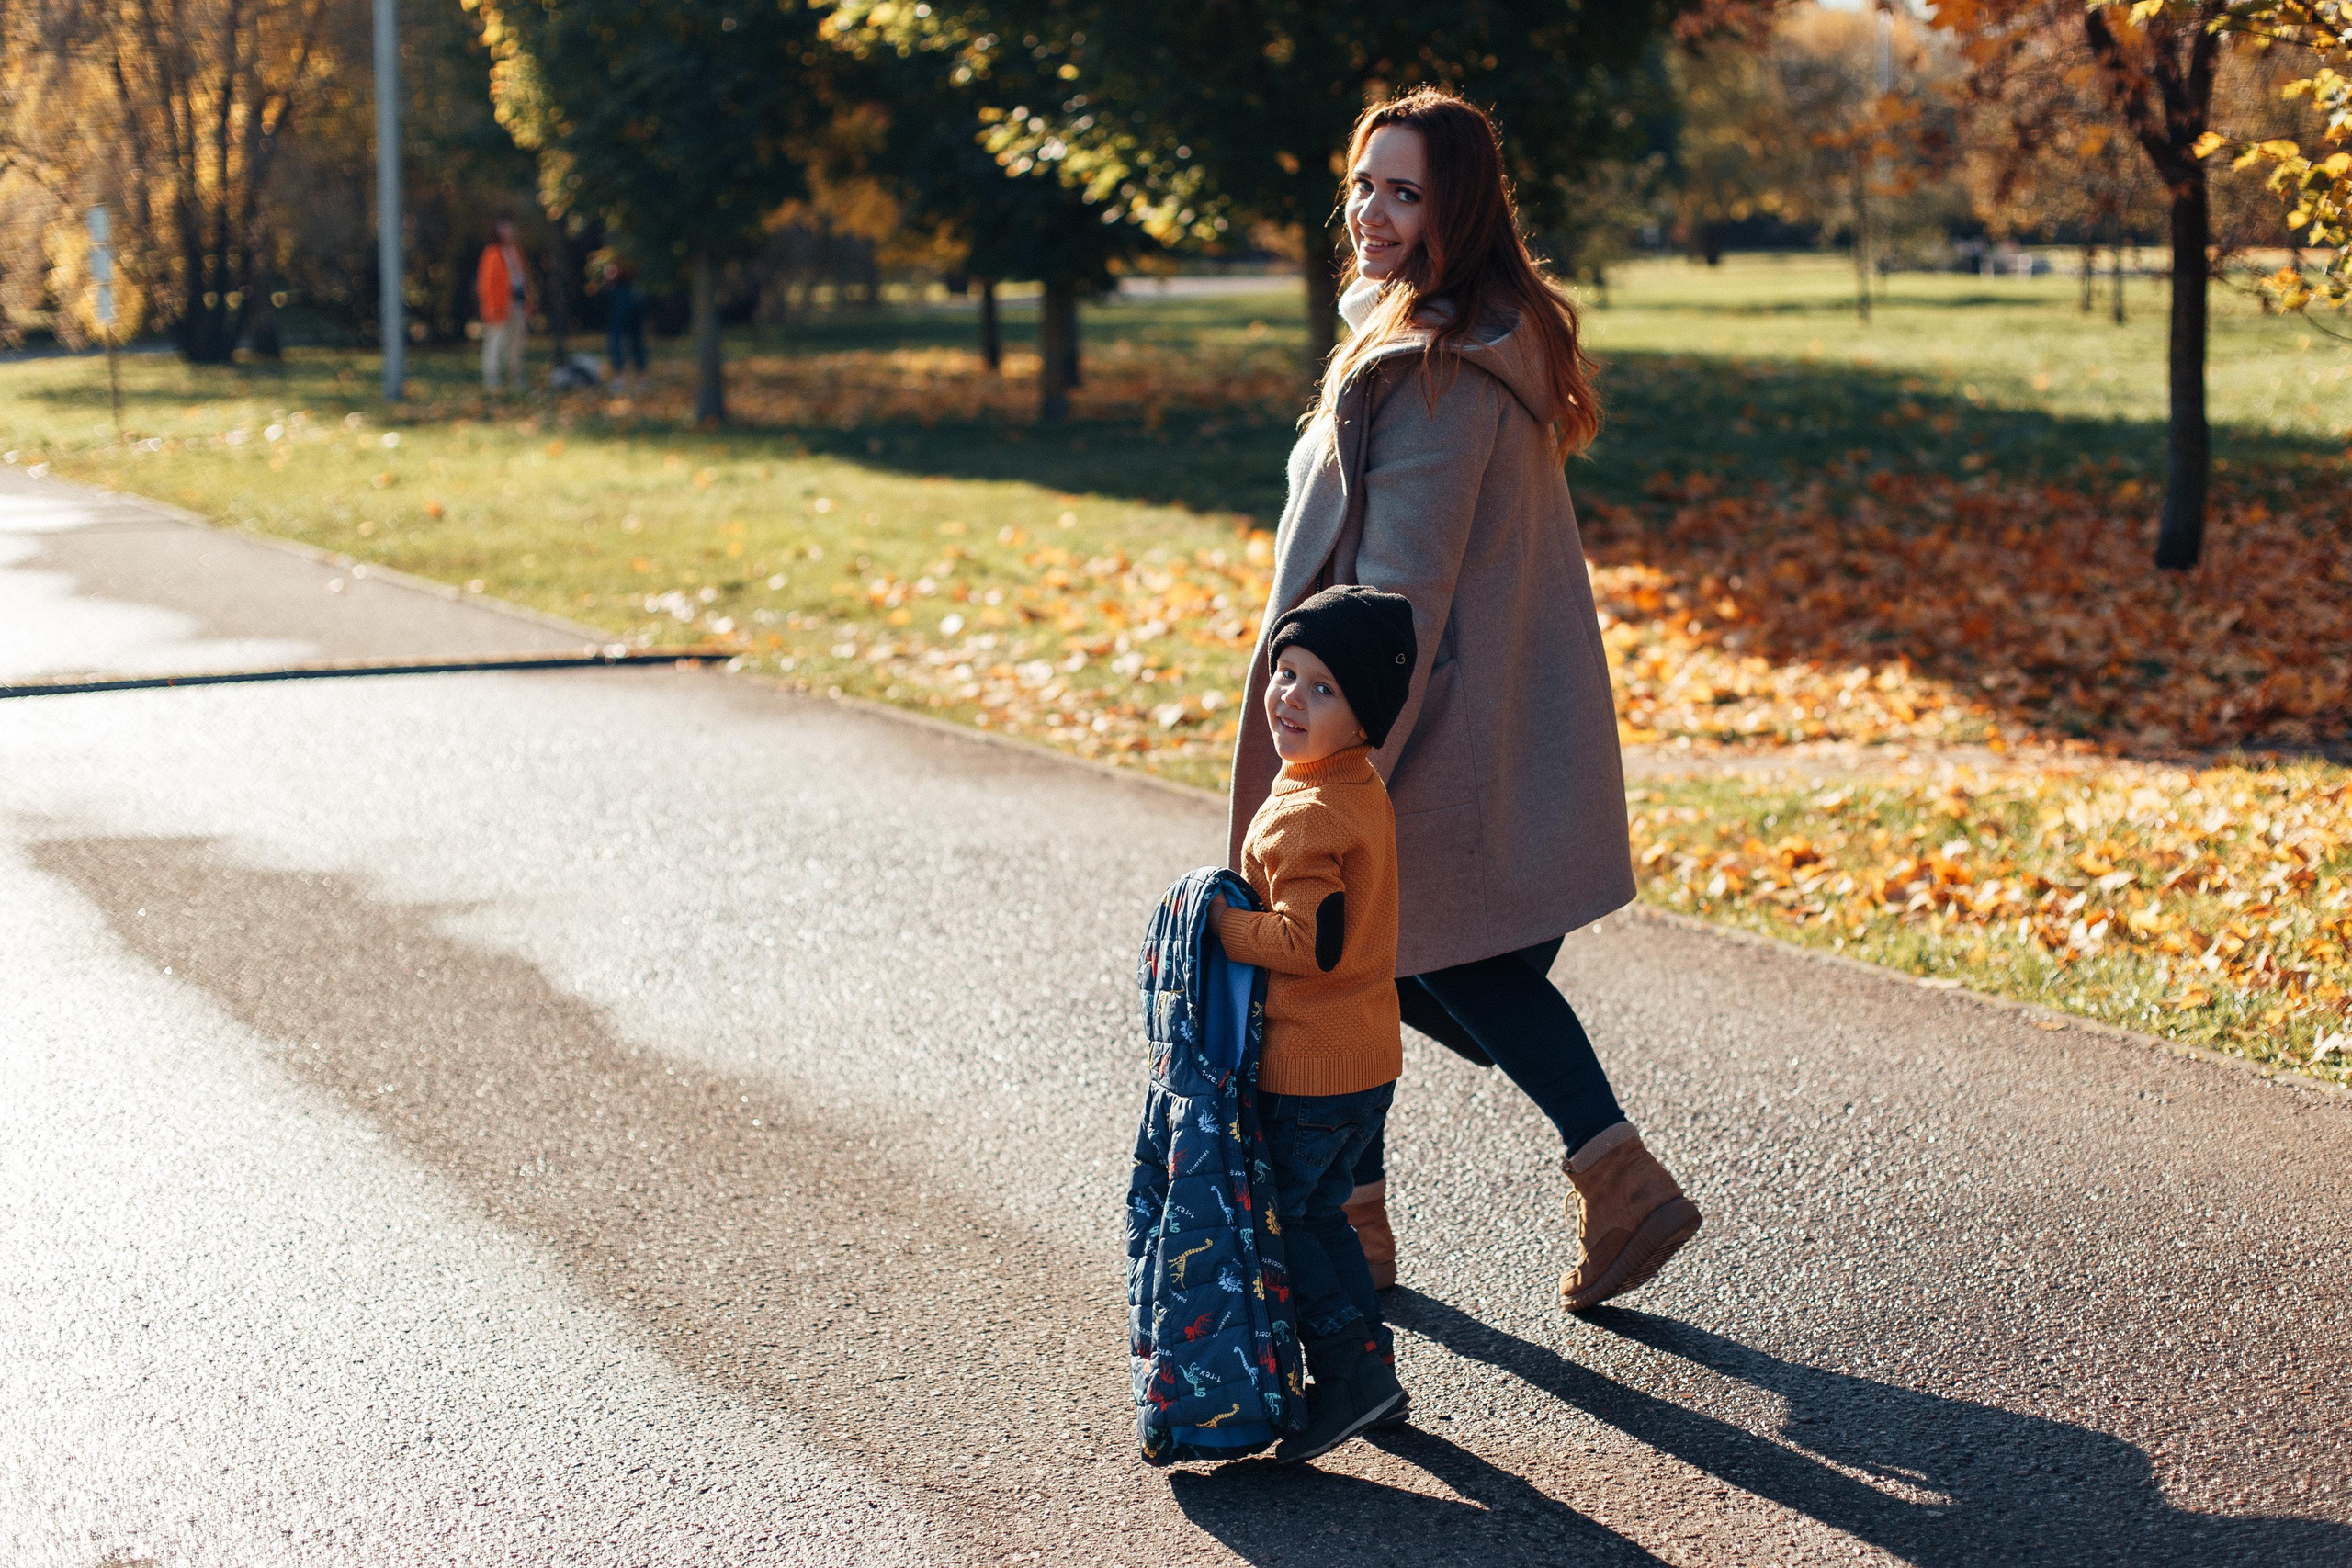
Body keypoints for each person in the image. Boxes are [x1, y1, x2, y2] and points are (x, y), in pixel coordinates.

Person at [1227, 87, 1703, 1315]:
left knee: (1377, 959)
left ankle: (1584, 1182)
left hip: (1413, 720)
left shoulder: (1440, 367)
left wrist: (1334, 745)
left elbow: (1401, 597)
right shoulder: (1443, 332)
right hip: (1456, 716)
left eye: (1404, 192)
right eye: (1362, 185)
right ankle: (1414, 1209)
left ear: (1460, 206)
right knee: (1395, 963)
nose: (1372, 212)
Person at [1213, 583, 1418, 1463]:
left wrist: (1219, 927)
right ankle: (1372, 1366)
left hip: (1310, 1068)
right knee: (1325, 1213)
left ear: (1363, 713)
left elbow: (1312, 939)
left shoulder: (1306, 815)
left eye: (1322, 688)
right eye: (1285, 671)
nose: (1290, 697)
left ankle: (1346, 1375)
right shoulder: (1355, 785)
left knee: (1288, 1226)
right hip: (1367, 1054)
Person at [476, 220, 533, 394]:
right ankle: (491, 377)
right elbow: (486, 283)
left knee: (516, 341)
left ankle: (515, 374)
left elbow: (524, 278)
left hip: (517, 302)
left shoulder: (516, 251)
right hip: (499, 305)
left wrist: (529, 300)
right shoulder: (492, 253)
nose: (508, 231)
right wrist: (491, 306)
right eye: (504, 228)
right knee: (496, 341)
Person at [602, 259, 647, 389]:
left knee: (618, 338)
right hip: (633, 293)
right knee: (634, 338)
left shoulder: (618, 256)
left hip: (624, 294)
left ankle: (622, 378)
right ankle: (639, 378)